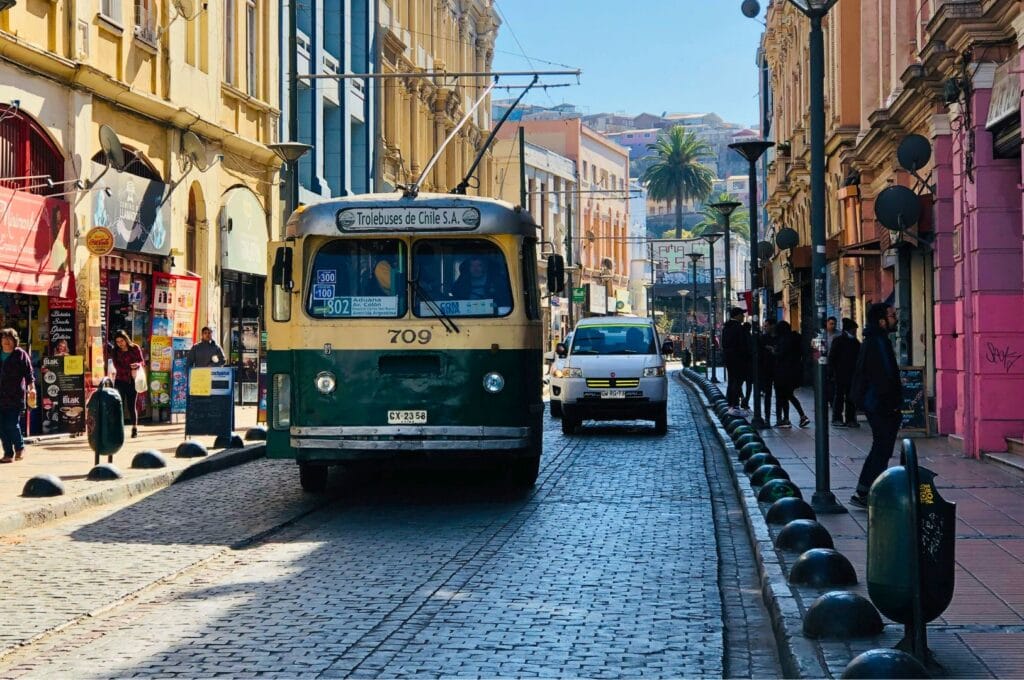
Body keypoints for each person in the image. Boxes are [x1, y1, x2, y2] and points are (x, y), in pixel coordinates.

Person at [849, 304, 903, 508]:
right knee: (881, 447)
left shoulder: (875, 340)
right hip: (879, 404)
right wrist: (892, 405)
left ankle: (867, 490)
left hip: (878, 403)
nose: (895, 319)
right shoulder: (878, 342)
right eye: (892, 316)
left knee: (881, 448)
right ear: (882, 321)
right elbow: (885, 375)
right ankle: (866, 492)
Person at [0, 328, 35, 463]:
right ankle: (8, 453)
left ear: (15, 341)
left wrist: (32, 389)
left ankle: (19, 448)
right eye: (4, 338)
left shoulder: (20, 354)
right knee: (1, 426)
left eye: (9, 339)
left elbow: (29, 374)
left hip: (15, 396)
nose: (6, 341)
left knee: (12, 424)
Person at [772, 320, 810, 428]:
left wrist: (773, 351)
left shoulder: (784, 340)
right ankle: (794, 417)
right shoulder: (795, 339)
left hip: (783, 372)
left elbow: (781, 355)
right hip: (794, 372)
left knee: (782, 396)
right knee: (788, 395)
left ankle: (786, 419)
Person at [110, 330, 145, 439]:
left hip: (132, 381)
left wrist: (137, 365)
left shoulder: (135, 348)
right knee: (119, 405)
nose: (120, 343)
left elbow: (142, 361)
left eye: (121, 340)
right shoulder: (115, 351)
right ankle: (119, 429)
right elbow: (116, 366)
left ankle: (134, 428)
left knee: (131, 405)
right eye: (117, 342)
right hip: (120, 380)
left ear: (126, 339)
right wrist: (131, 369)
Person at [829, 318, 861, 428]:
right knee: (839, 396)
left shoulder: (855, 342)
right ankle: (837, 418)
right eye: (854, 330)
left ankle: (850, 419)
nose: (855, 332)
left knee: (850, 397)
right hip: (840, 374)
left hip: (851, 375)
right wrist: (832, 372)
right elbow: (832, 358)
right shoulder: (838, 341)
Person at [721, 307, 749, 415]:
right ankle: (735, 405)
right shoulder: (738, 328)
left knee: (732, 381)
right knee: (737, 382)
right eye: (742, 314)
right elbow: (742, 344)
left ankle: (730, 405)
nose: (743, 316)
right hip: (738, 359)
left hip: (729, 358)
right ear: (737, 315)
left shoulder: (726, 327)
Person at [759, 318, 777, 426]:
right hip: (766, 369)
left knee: (780, 395)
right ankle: (767, 417)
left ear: (772, 326)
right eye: (764, 326)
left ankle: (781, 417)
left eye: (767, 326)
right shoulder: (763, 338)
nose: (765, 328)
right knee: (767, 394)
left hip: (778, 368)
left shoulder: (778, 337)